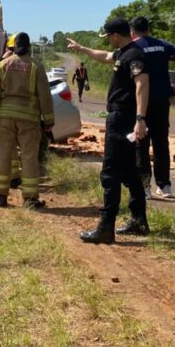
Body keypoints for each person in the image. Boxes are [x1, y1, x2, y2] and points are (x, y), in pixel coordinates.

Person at [66, 18, 149, 243]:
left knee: (110, 172)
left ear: (115, 35)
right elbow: (103, 56)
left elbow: (142, 84)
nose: (109, 42)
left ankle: (105, 227)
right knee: (130, 171)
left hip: (124, 118)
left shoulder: (134, 55)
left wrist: (140, 118)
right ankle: (139, 220)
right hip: (123, 117)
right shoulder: (124, 53)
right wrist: (80, 48)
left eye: (109, 37)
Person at [0, 31, 54, 209]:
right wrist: (48, 120)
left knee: (2, 155)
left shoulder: (3, 65)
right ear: (29, 47)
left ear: (14, 46)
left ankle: (1, 196)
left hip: (4, 118)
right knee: (29, 158)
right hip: (28, 119)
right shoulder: (36, 66)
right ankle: (30, 199)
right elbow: (45, 95)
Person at [129, 16, 175, 200]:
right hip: (163, 99)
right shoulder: (163, 45)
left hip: (142, 102)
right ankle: (165, 186)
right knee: (161, 143)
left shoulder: (134, 47)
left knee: (141, 143)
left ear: (132, 31)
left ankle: (145, 186)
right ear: (148, 29)